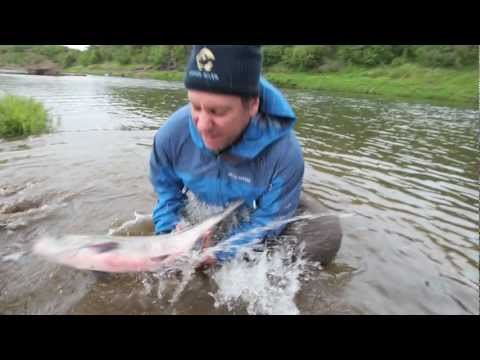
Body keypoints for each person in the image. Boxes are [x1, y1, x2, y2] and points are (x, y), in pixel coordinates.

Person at [149, 45, 304, 269]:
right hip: (206, 203)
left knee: (322, 237)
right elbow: (166, 193)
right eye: (195, 107)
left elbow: (270, 219)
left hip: (258, 206)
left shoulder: (285, 154)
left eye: (217, 112)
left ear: (252, 104)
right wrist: (168, 234)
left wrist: (222, 252)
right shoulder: (170, 136)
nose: (202, 125)